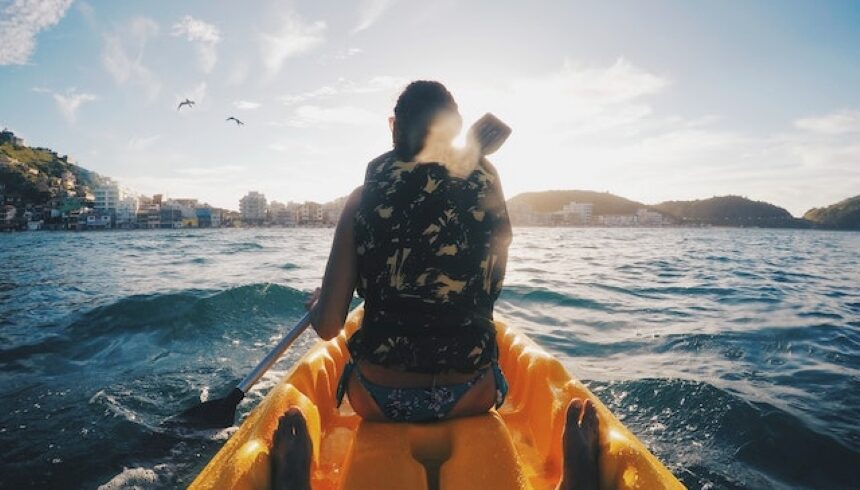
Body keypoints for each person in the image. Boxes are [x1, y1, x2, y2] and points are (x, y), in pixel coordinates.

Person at [271, 81, 599, 490]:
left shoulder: (361, 198)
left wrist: (321, 303)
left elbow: (328, 327)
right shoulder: (487, 186)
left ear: (393, 126)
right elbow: (485, 281)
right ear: (454, 130)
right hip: (470, 392)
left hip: (378, 396)